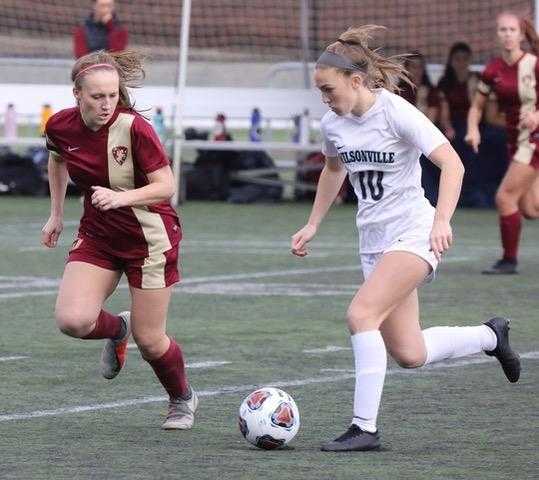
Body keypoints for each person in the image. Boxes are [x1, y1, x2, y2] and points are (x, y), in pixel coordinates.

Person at [291, 25, 521, 452]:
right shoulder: (333, 123)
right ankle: (492, 336)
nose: (324, 98)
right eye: (320, 91)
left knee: (361, 315)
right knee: (410, 352)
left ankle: (365, 428)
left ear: (356, 81)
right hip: (373, 242)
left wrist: (441, 222)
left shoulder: (396, 112)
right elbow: (334, 170)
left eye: (328, 88)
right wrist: (313, 223)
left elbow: (452, 165)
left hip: (413, 233)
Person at [41, 50, 197, 430]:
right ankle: (117, 329)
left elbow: (166, 186)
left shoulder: (134, 129)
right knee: (73, 321)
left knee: (151, 340)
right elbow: (57, 159)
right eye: (97, 96)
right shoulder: (60, 126)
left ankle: (182, 399)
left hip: (149, 239)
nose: (107, 103)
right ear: (77, 94)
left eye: (113, 95)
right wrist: (57, 214)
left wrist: (121, 197)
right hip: (98, 235)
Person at [466, 11, 539, 274]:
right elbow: (476, 106)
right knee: (530, 209)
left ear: (520, 34)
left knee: (504, 197)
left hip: (534, 140)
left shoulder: (534, 64)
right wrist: (473, 129)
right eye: (502, 30)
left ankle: (509, 260)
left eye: (512, 30)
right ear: (497, 34)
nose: (507, 35)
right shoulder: (493, 69)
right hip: (515, 142)